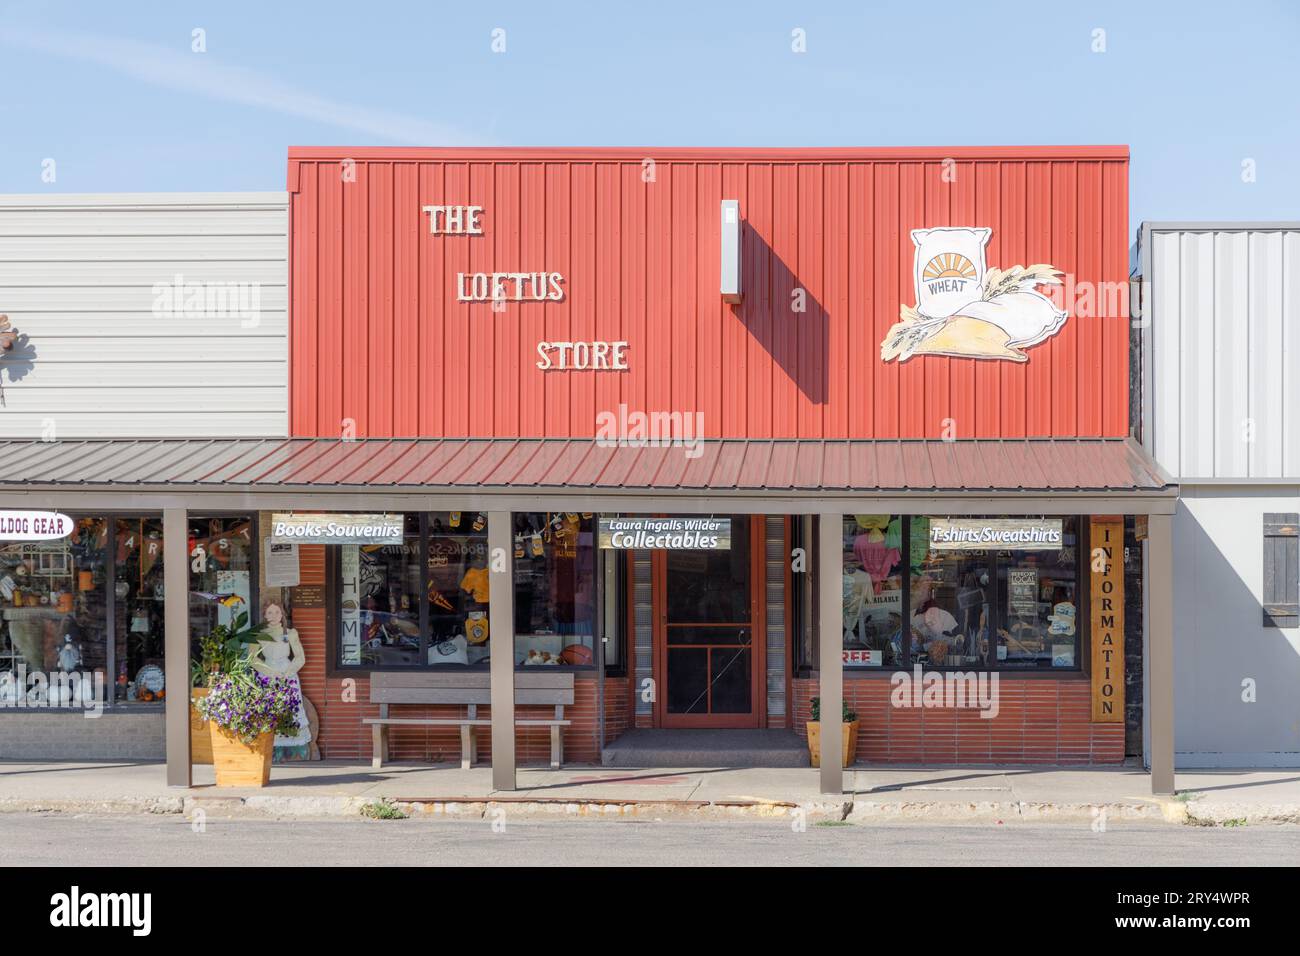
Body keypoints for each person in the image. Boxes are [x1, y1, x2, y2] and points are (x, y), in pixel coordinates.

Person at [248, 600, 312, 753]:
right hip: (267, 673)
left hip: (287, 673)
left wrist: (287, 672)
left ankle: (294, 745)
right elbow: (252, 658)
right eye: (270, 612)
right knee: (269, 708)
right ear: (264, 615)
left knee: (290, 707)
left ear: (282, 614)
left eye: (277, 612)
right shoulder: (258, 635)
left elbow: (300, 657)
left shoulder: (290, 633)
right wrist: (270, 672)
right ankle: (270, 744)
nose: (274, 615)